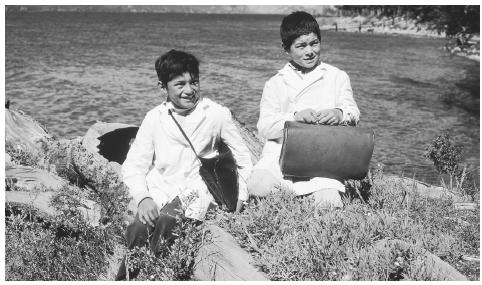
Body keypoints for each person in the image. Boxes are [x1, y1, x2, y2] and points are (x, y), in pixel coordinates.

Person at [116, 49, 252, 280]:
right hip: (161, 187)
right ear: (163, 87)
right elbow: (134, 165)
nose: (189, 90)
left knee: (169, 219)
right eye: (180, 84)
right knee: (139, 228)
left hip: (199, 189)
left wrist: (241, 196)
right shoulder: (154, 118)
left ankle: (153, 275)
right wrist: (143, 197)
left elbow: (243, 159)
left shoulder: (216, 114)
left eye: (194, 82)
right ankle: (126, 278)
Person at [247, 11, 360, 208]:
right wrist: (295, 118)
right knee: (257, 187)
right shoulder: (275, 83)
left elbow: (353, 113)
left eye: (314, 43)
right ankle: (296, 196)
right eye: (301, 46)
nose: (309, 51)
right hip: (280, 155)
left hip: (321, 158)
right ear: (286, 49)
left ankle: (304, 196)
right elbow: (264, 128)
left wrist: (339, 114)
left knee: (329, 204)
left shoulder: (336, 76)